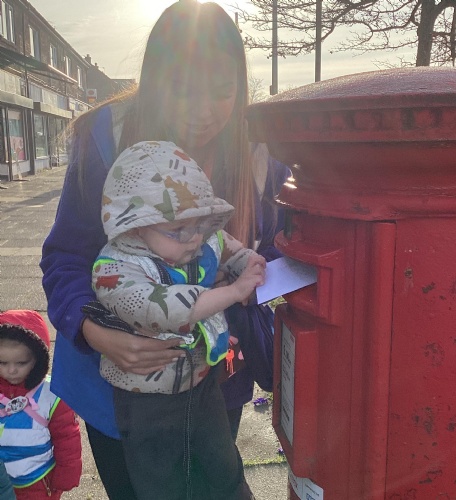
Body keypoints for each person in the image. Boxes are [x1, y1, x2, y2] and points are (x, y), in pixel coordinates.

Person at [40, 2, 289, 499]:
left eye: (222, 91)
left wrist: (252, 277)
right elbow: (65, 256)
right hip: (113, 387)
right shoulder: (107, 135)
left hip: (215, 379)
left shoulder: (260, 149)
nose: (203, 112)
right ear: (154, 78)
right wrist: (96, 333)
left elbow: (284, 253)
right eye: (183, 90)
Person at [82, 140, 265, 498]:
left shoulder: (195, 239)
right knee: (161, 481)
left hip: (204, 382)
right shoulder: (114, 270)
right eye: (178, 229)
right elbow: (165, 309)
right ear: (136, 228)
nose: (193, 238)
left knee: (224, 467)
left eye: (198, 224)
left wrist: (248, 262)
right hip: (148, 401)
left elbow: (228, 247)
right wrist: (234, 291)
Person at [0, 310, 82, 499]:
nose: (11, 370)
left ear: (38, 359)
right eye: (2, 363)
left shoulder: (51, 393)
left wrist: (67, 472)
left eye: (21, 363)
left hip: (38, 481)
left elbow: (67, 436)